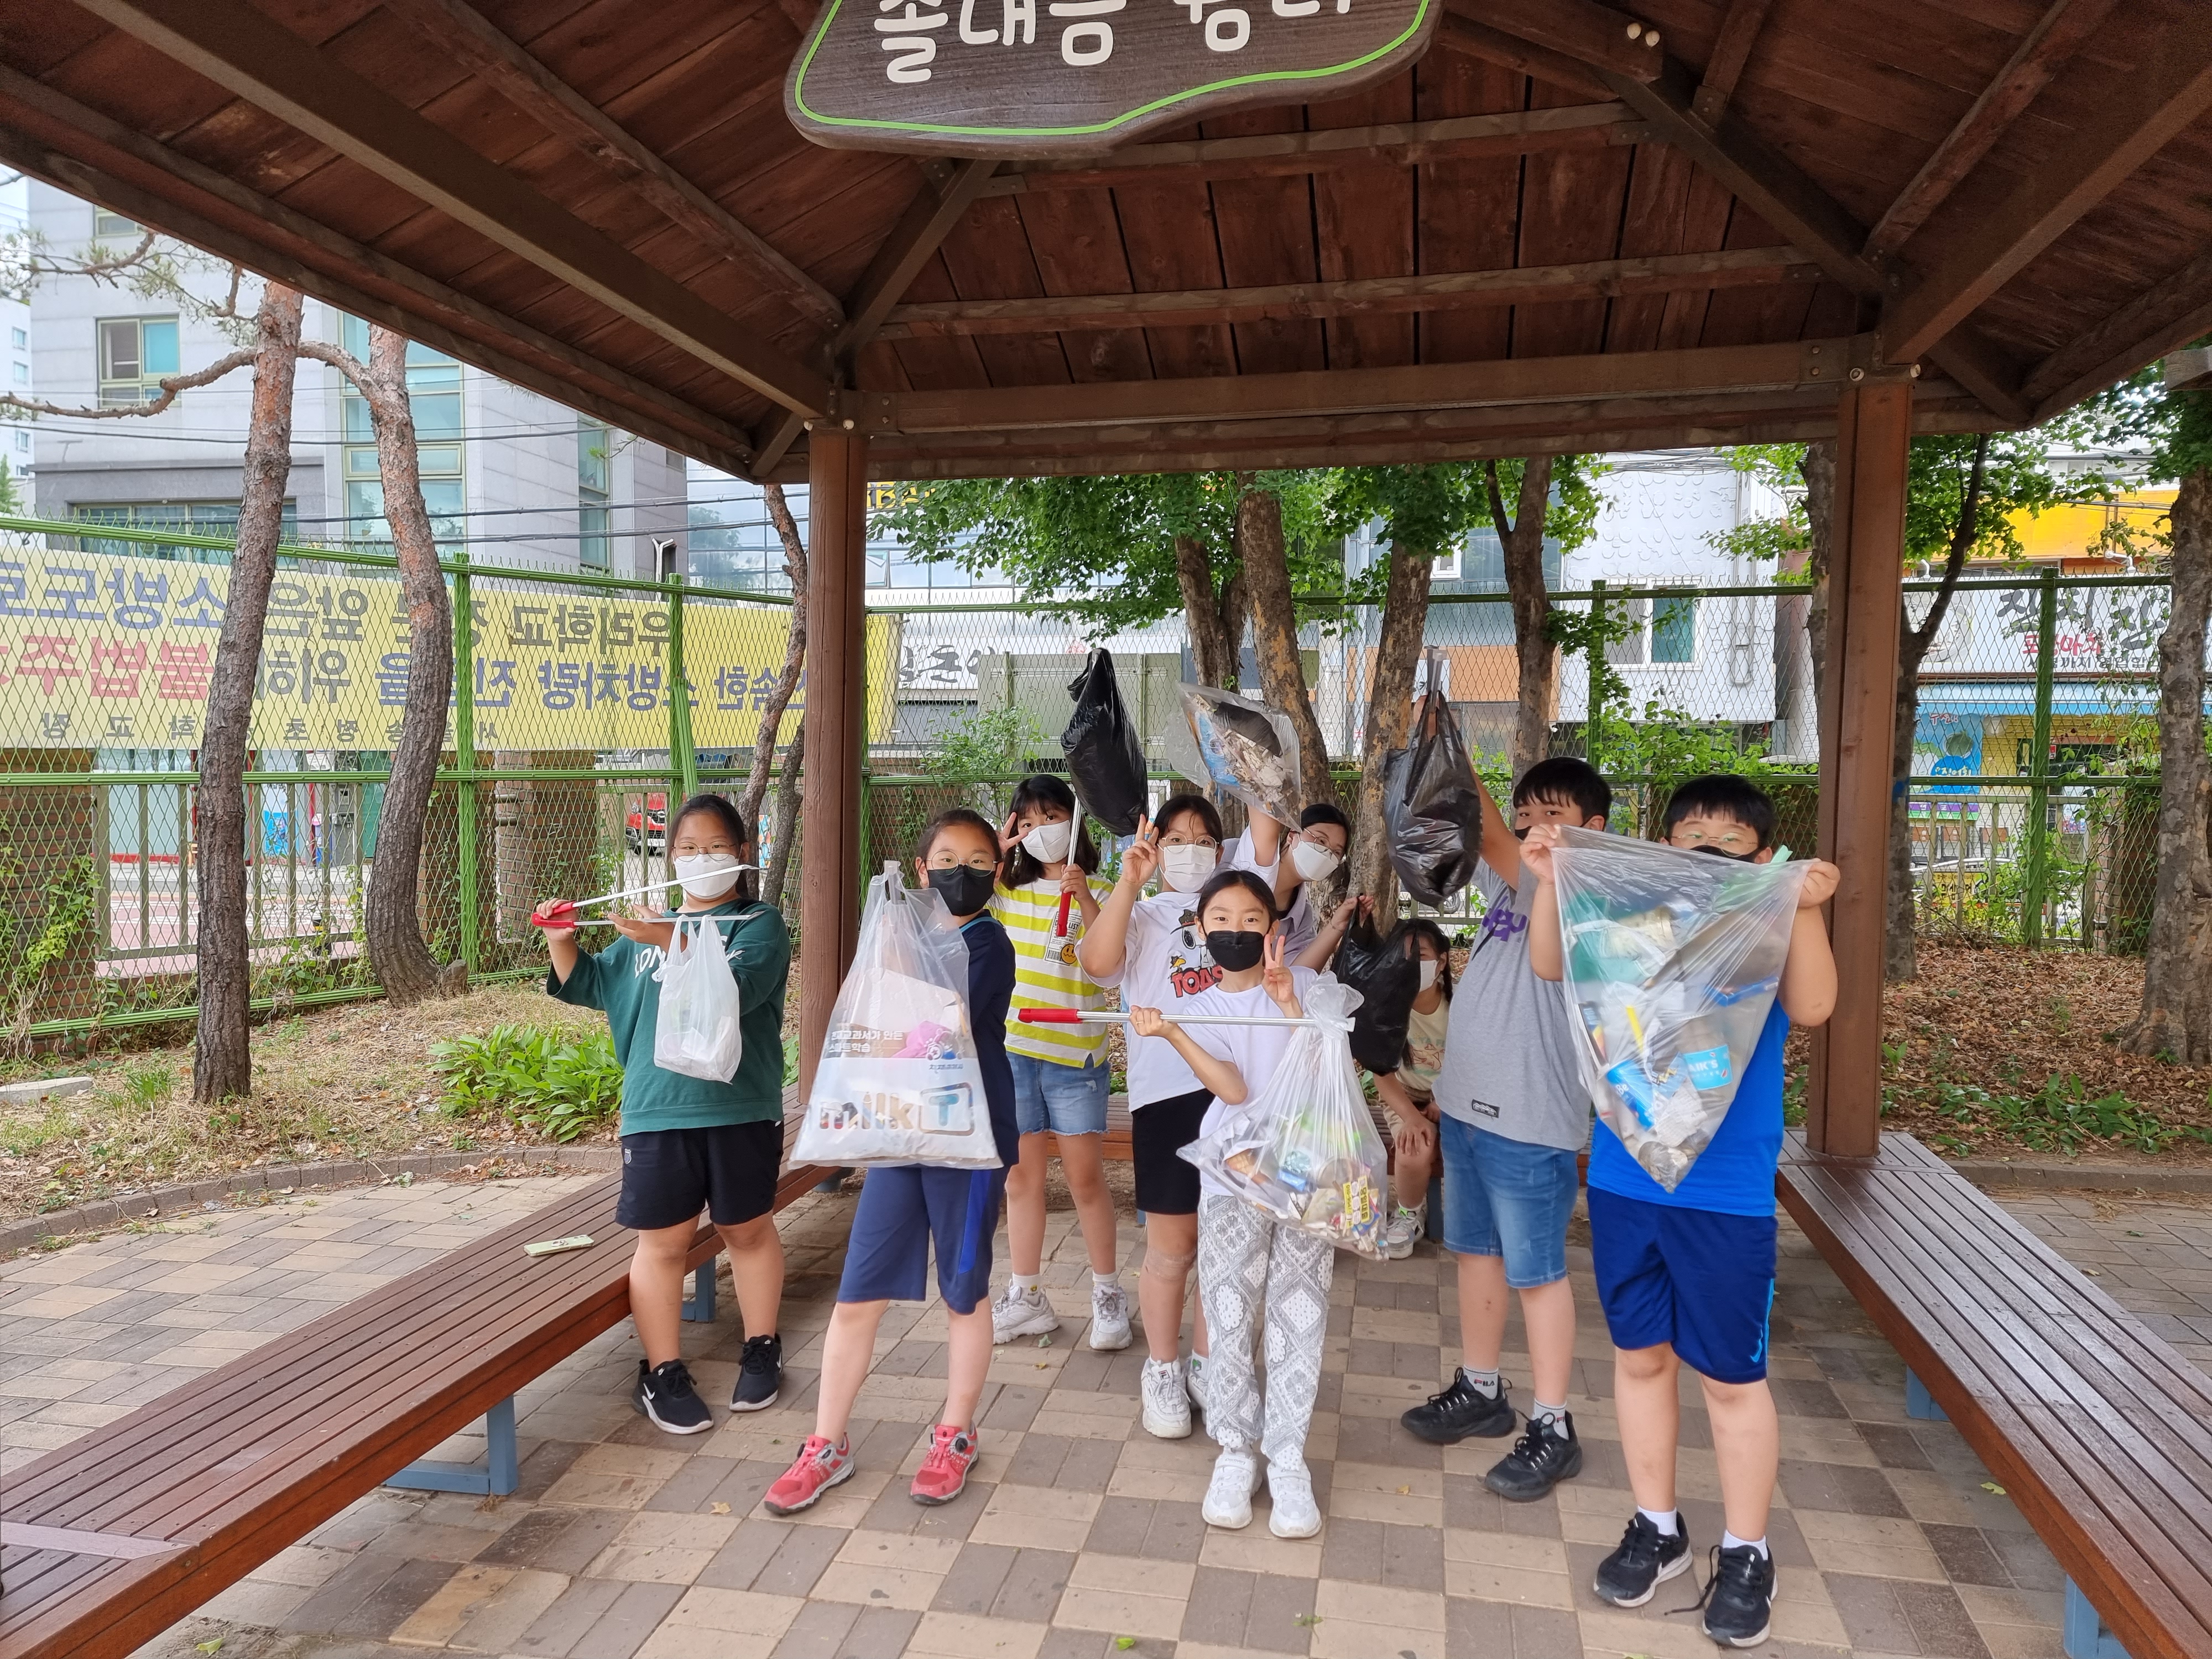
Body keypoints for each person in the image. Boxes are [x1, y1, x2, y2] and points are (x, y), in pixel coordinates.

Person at [1523, 774, 1839, 1648]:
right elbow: (1551, 964)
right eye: (1690, 834)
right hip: (1627, 1182)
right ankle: (1658, 1528)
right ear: (1662, 848)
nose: (1706, 850)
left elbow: (1816, 1007)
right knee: (1639, 1359)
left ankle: (1747, 1551)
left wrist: (1804, 908)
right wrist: (1552, 881)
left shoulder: (1764, 928)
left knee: (1732, 1379)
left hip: (1726, 1196)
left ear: (1765, 859)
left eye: (1731, 842)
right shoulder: (1632, 924)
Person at [761, 808, 1020, 1514]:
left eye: (978, 860)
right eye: (947, 859)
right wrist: (889, 935)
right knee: (857, 1293)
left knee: (964, 1291)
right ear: (921, 870)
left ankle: (956, 1433)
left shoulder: (988, 942)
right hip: (900, 1130)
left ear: (997, 872)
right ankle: (826, 1443)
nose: (961, 872)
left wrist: (893, 945)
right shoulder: (902, 934)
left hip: (969, 1141)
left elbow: (942, 1014)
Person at [536, 794, 790, 1434]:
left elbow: (734, 990)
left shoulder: (756, 924)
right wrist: (562, 941)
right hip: (657, 1111)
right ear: (670, 857)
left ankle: (762, 1347)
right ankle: (661, 1371)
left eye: (716, 847)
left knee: (747, 1230)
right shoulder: (646, 933)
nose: (701, 858)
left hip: (740, 1107)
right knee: (663, 1245)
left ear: (743, 854)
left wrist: (672, 938)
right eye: (688, 848)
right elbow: (592, 983)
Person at [1399, 757, 1609, 1505]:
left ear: (1594, 829)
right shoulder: (1508, 883)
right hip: (1467, 1109)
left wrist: (1447, 743)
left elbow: (1484, 826)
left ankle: (1554, 1425)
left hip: (1530, 1120)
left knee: (1538, 1276)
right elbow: (1481, 836)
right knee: (1476, 1256)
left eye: (1552, 814)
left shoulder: (1585, 891)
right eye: (1526, 814)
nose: (1532, 828)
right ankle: (1483, 1390)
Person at [1129, 872, 1328, 1541]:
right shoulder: (1201, 1004)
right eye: (1220, 919)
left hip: (1302, 1175)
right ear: (1199, 929)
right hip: (1231, 1176)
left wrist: (1288, 1003)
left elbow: (1322, 1070)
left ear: (1273, 929)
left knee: (1299, 1312)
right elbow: (1234, 1090)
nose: (1235, 931)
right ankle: (1236, 1451)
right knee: (1229, 1312)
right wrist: (1172, 1033)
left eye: (1250, 919)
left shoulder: (1309, 987)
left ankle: (1289, 1458)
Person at [1078, 794, 1225, 1439]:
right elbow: (1097, 965)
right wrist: (1127, 884)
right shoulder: (1140, 915)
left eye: (1204, 840)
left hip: (1234, 1097)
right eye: (1177, 840)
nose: (1190, 850)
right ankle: (1162, 1368)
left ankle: (1210, 1365)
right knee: (1173, 1248)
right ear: (1156, 848)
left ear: (1220, 853)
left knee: (1222, 1246)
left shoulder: (1236, 909)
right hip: (1166, 1099)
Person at [987, 775, 1126, 1352]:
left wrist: (1088, 897)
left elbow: (1108, 964)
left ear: (1075, 822)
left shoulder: (1107, 889)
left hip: (1075, 1059)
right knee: (1020, 1181)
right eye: (1027, 822)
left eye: (1051, 818)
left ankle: (1108, 1295)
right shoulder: (1006, 893)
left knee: (1085, 1180)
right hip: (1014, 1054)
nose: (1040, 830)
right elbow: (957, 909)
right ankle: (1027, 1297)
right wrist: (993, 860)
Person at [1366, 917, 1452, 1260]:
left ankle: (1477, 1215)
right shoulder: (1385, 1007)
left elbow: (1478, 1061)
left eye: (1422, 955)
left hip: (1459, 1095)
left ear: (1441, 962)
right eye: (1403, 956)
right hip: (1404, 1095)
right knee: (1414, 1146)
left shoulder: (1461, 1005)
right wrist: (1412, 1118)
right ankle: (1408, 1212)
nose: (1412, 964)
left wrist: (1446, 1100)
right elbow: (1381, 1073)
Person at [1233, 801, 1349, 962]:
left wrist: (1337, 926)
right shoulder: (1262, 858)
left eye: (1336, 852)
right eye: (1321, 841)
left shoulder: (1302, 917)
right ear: (1292, 835)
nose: (1326, 853)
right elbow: (1261, 795)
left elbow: (1299, 971)